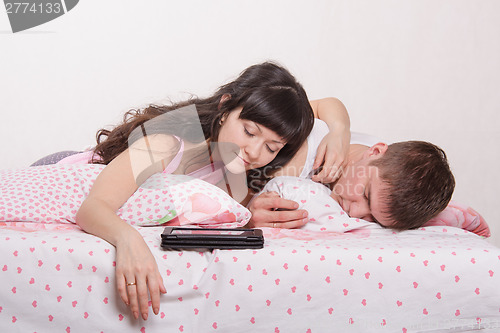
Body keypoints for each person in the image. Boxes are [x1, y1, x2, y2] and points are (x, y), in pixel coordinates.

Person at [73, 62, 352, 321]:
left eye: (271, 147)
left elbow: (318, 106)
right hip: (69, 168)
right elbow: (92, 208)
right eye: (249, 132)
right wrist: (128, 240)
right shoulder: (165, 146)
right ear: (225, 107)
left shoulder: (242, 179)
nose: (254, 152)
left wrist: (339, 130)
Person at [246, 118, 456, 231]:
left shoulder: (382, 177)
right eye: (365, 194)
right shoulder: (307, 151)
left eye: (373, 219)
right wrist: (247, 215)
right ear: (374, 151)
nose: (355, 214)